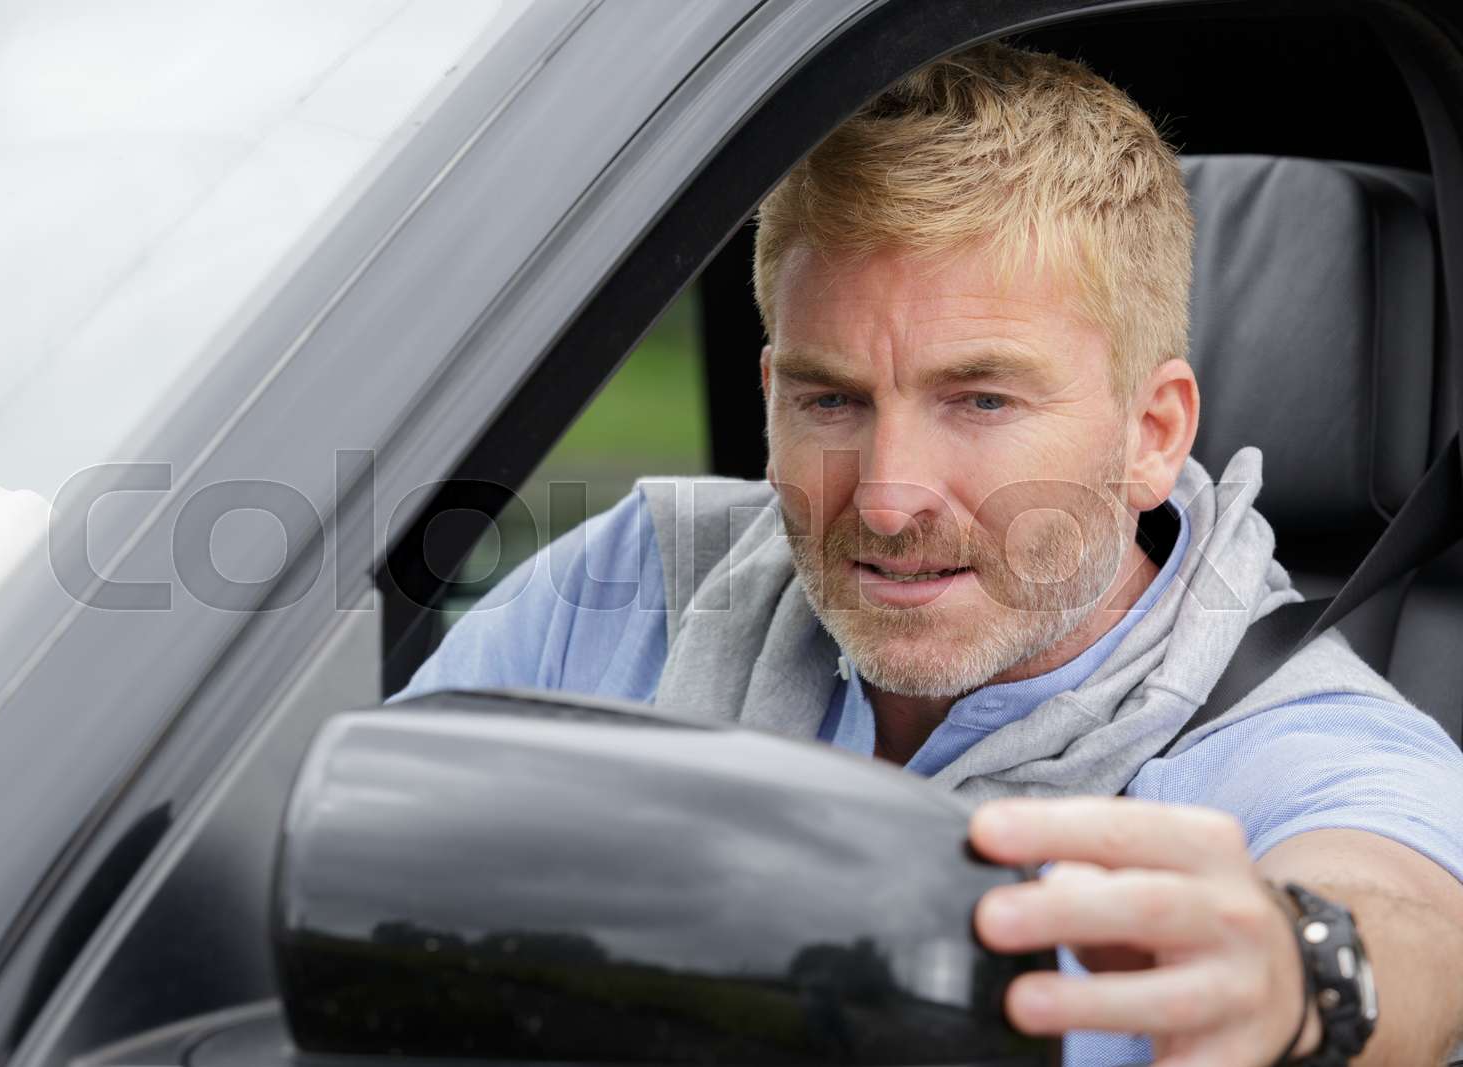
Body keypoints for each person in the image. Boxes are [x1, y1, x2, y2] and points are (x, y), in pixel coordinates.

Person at [393, 42, 1463, 1064]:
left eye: (980, 399)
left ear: (1153, 433)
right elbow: (380, 843)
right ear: (768, 398)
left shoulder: (1296, 741)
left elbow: (1407, 911)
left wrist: (1308, 969)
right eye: (831, 398)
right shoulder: (632, 583)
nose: (890, 496)